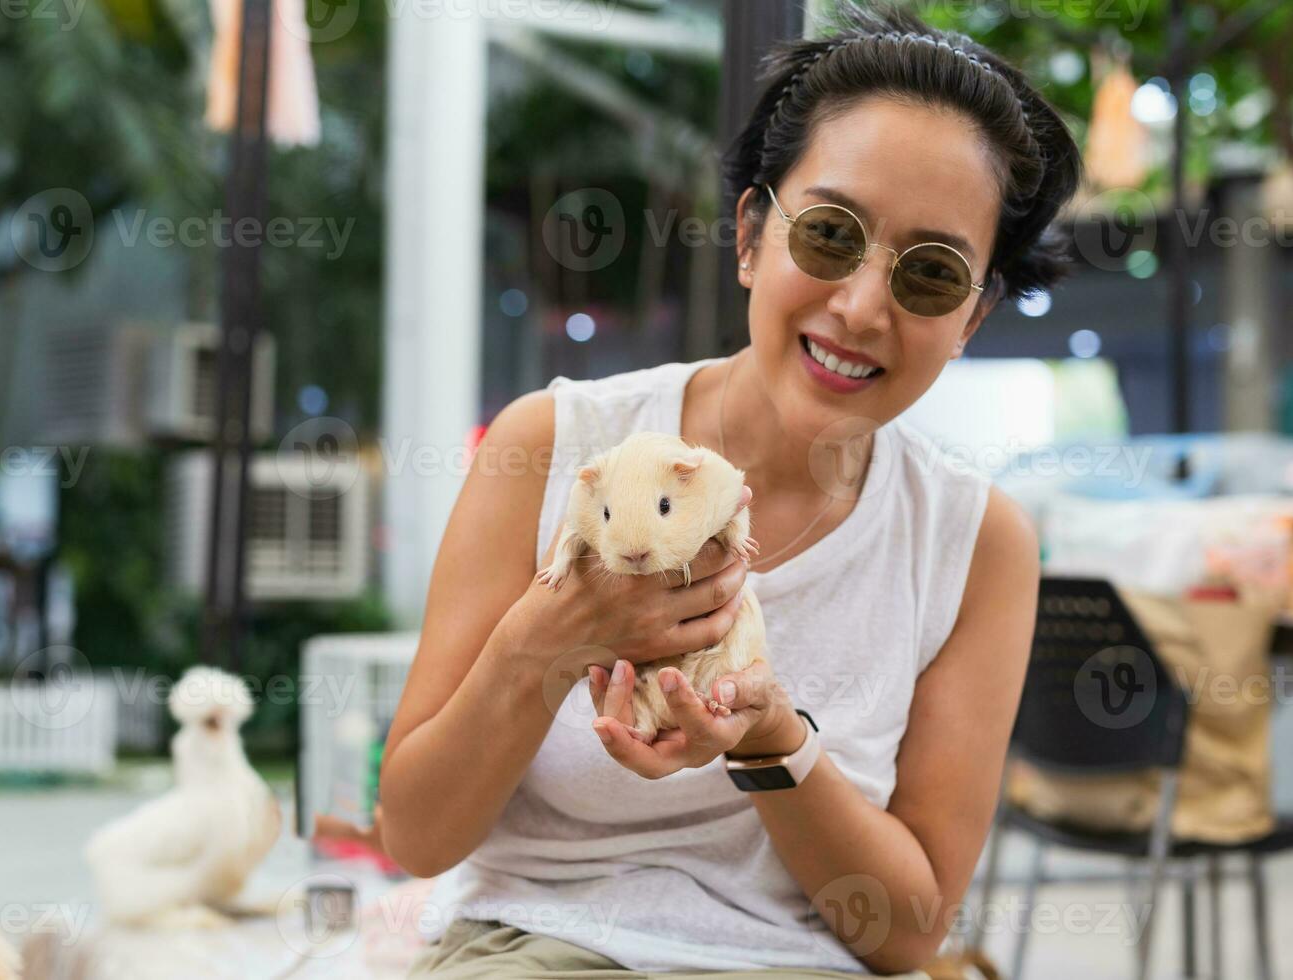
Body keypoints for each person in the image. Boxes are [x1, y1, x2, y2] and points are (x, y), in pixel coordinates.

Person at [377, 1, 1081, 975]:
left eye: (929, 273)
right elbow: (415, 833)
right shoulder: (555, 446)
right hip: (541, 945)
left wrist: (771, 738)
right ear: (753, 234)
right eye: (831, 235)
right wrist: (545, 642)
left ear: (971, 317)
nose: (863, 305)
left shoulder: (974, 541)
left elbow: (908, 930)